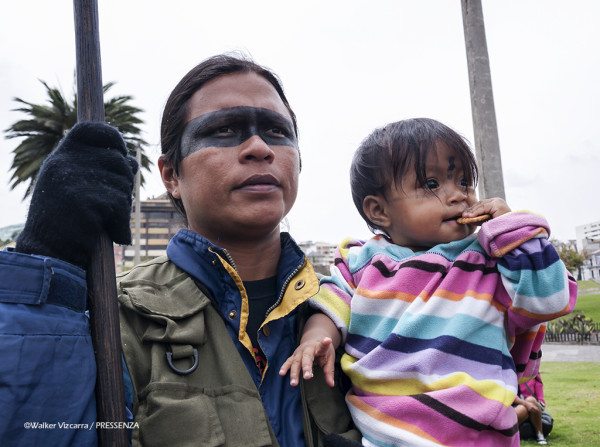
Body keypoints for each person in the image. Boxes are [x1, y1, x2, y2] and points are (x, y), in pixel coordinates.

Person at [0, 54, 359, 446]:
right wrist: (45, 284)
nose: (259, 147)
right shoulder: (110, 317)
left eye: (277, 131)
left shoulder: (359, 306)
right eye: (223, 130)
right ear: (171, 175)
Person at [280, 118, 577, 446]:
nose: (458, 197)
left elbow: (551, 298)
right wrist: (315, 339)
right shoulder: (364, 261)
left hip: (479, 435)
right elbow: (332, 304)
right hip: (386, 431)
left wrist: (511, 228)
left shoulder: (491, 261)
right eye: (433, 184)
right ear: (379, 210)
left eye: (464, 181)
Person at [514, 373, 548, 445]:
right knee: (524, 408)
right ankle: (539, 435)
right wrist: (525, 404)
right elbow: (511, 395)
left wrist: (541, 403)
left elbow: (540, 395)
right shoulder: (510, 372)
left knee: (531, 399)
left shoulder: (534, 373)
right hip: (515, 406)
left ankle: (540, 435)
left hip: (533, 406)